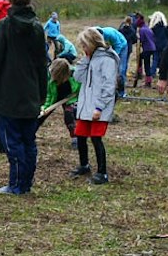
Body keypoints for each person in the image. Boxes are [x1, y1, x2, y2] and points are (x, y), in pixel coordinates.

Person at [0, 0, 49, 195]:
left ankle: (15, 185)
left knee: (11, 141)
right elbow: (43, 63)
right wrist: (42, 93)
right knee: (28, 142)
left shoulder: (5, 25)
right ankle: (25, 183)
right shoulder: (38, 28)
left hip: (8, 94)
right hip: (31, 93)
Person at [72, 26, 118, 185]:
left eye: (84, 45)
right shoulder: (89, 58)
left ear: (92, 42)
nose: (83, 49)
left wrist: (99, 107)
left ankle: (102, 172)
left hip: (98, 107)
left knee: (96, 139)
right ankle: (84, 164)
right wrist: (84, 60)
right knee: (80, 136)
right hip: (86, 105)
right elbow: (78, 78)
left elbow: (109, 86)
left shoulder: (107, 60)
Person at [42, 56, 83, 174]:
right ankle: (30, 132)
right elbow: (50, 95)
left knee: (69, 116)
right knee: (42, 115)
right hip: (57, 97)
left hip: (72, 98)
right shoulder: (51, 78)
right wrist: (45, 108)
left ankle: (75, 137)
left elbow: (81, 88)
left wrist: (77, 96)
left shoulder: (75, 75)